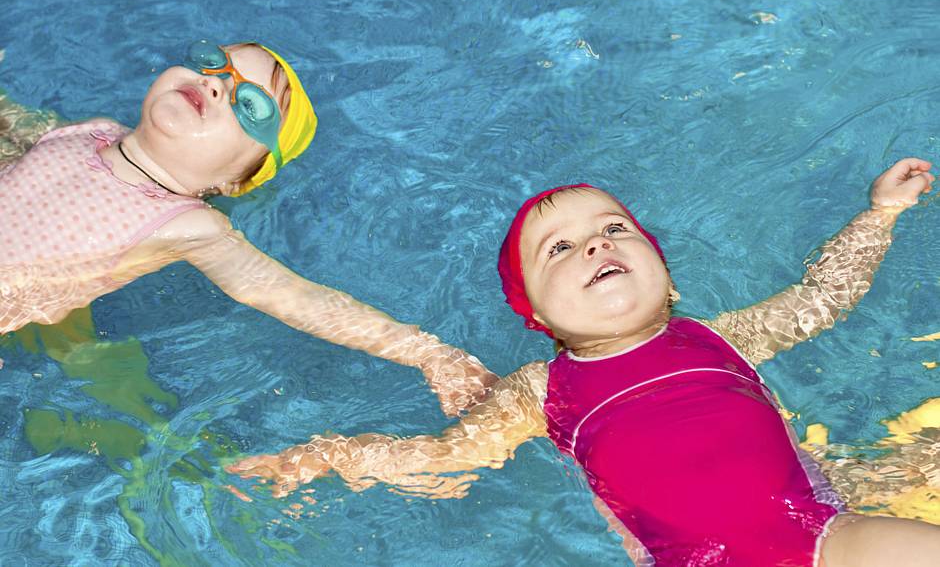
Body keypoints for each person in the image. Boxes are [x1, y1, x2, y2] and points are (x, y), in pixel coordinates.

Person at [229, 159, 940, 566]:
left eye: (613, 230)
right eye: (560, 250)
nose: (596, 246)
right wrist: (318, 459)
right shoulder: (542, 390)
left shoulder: (724, 337)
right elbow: (443, 456)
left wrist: (878, 215)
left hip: (830, 537)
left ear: (663, 267)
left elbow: (824, 296)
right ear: (535, 315)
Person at [0, 40, 495, 416]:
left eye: (249, 106)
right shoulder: (91, 131)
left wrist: (430, 354)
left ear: (235, 181)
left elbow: (294, 297)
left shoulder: (189, 225)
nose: (216, 85)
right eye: (214, 64)